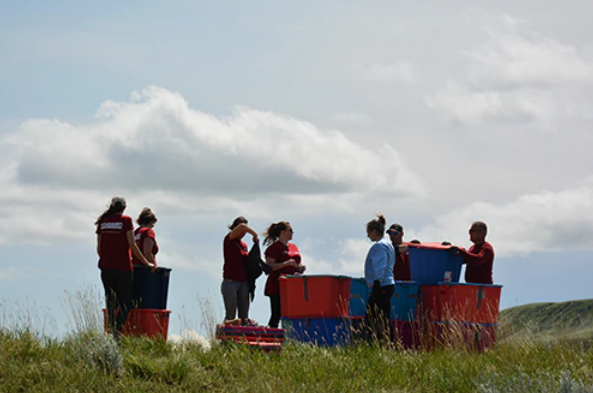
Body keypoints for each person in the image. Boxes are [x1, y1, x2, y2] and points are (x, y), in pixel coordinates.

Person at [95, 196, 155, 340]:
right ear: (124, 208)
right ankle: (116, 331)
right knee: (126, 302)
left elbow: (99, 248)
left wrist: (106, 259)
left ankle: (110, 331)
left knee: (111, 301)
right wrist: (147, 264)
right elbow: (132, 245)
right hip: (122, 268)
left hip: (105, 268)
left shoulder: (103, 222)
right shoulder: (126, 221)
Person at [263, 221, 306, 328]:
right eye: (290, 230)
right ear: (283, 232)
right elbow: (269, 266)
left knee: (292, 312)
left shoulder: (293, 247)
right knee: (277, 313)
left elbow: (296, 262)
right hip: (277, 285)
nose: (293, 232)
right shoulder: (274, 248)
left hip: (292, 285)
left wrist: (300, 267)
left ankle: (288, 335)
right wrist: (285, 264)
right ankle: (272, 336)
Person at [364, 214, 395, 345]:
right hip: (388, 284)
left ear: (374, 231)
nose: (368, 236)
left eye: (369, 232)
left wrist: (377, 281)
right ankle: (387, 341)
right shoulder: (388, 244)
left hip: (381, 284)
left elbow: (380, 265)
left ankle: (374, 341)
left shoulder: (379, 246)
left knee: (370, 316)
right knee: (384, 315)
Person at [222, 216, 259, 325]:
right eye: (242, 230)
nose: (244, 232)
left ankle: (241, 338)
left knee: (244, 316)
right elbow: (242, 226)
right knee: (231, 315)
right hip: (230, 281)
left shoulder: (243, 245)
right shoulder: (229, 239)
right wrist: (255, 234)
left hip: (243, 282)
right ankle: (227, 338)